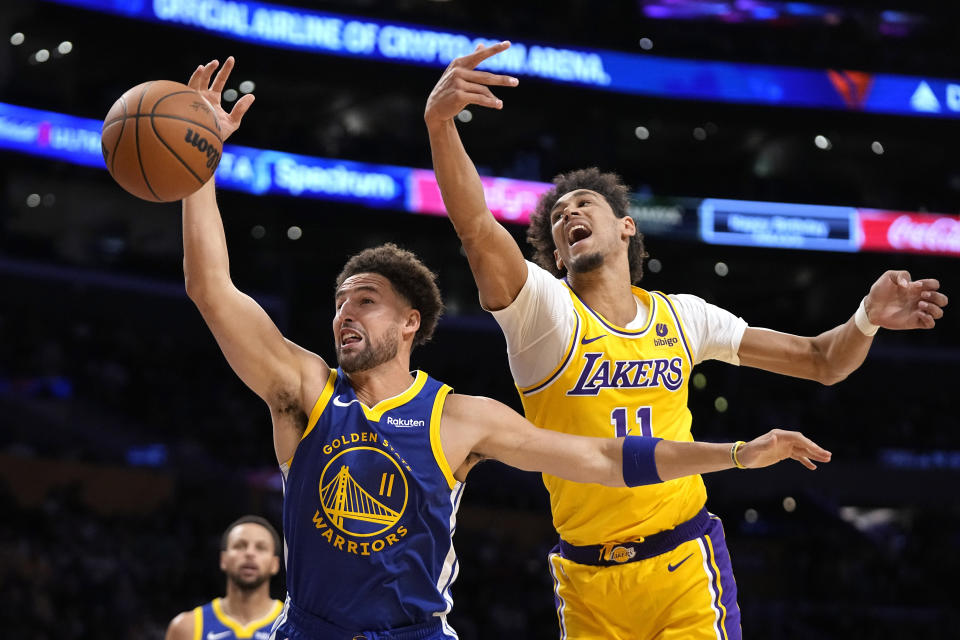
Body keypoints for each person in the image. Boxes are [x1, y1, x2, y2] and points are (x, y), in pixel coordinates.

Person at [181, 57, 830, 640]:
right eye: (340, 300)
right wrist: (197, 166)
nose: (345, 310)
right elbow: (211, 289)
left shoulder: (460, 417)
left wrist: (741, 454)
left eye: (366, 298)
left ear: (412, 322)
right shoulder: (303, 391)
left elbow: (605, 456)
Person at [424, 42, 949, 640]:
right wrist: (441, 126)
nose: (568, 214)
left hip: (683, 562)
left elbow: (822, 361)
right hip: (588, 578)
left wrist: (866, 318)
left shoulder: (685, 317)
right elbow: (475, 228)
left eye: (584, 204)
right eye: (557, 217)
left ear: (626, 226)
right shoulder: (543, 314)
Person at [166, 515, 284, 640]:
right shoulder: (186, 628)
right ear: (223, 559)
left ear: (275, 564)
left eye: (261, 548)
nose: (250, 553)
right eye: (240, 546)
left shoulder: (292, 628)